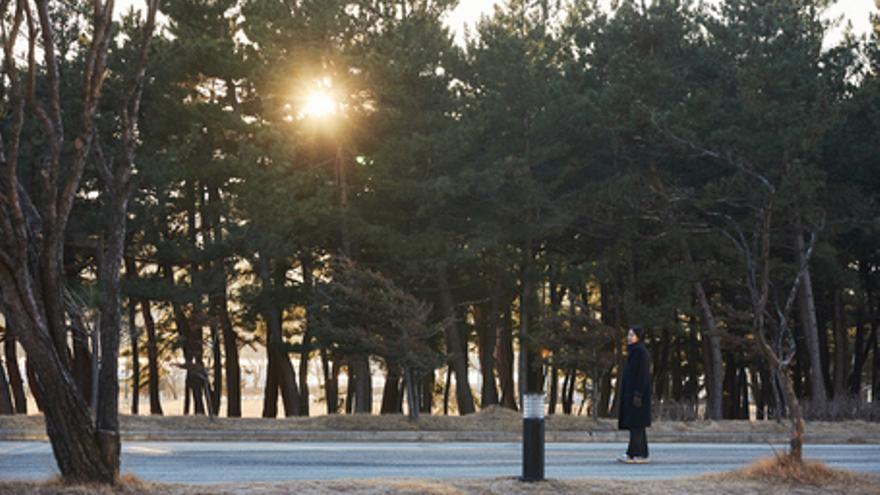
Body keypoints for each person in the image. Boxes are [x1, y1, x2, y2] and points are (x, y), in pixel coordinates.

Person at [617, 324, 652, 464]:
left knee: (636, 425)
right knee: (637, 425)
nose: (628, 337)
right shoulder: (634, 351)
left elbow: (643, 375)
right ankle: (640, 453)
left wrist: (638, 394)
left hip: (638, 395)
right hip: (633, 393)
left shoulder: (640, 352)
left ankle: (635, 454)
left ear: (638, 336)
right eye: (628, 334)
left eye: (632, 335)